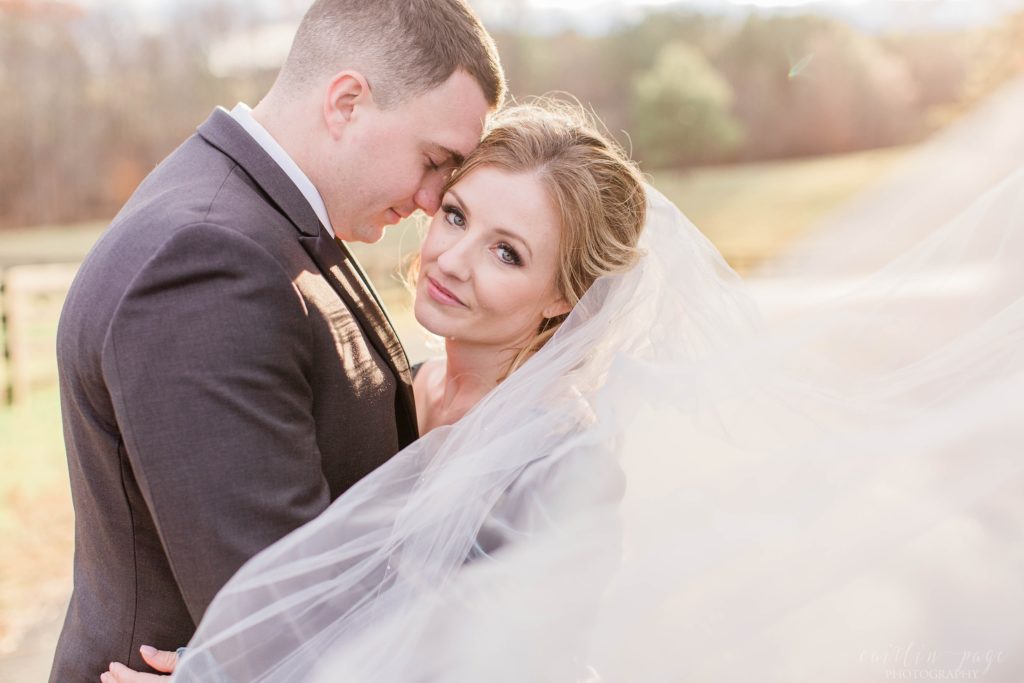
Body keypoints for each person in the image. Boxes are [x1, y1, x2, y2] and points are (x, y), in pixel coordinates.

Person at [110, 109, 1024, 681]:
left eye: (509, 252)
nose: (453, 261)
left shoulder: (563, 464)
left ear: (565, 299)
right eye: (459, 216)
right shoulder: (394, 382)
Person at [51, 1, 504, 680]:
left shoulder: (269, 220)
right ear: (347, 102)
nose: (433, 200)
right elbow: (277, 625)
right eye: (435, 160)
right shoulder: (205, 261)